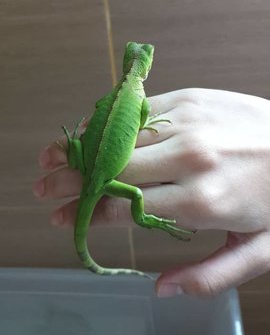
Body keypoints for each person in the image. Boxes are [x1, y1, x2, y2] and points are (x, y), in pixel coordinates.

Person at [33, 88, 270, 298]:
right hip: (102, 180)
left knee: (103, 171)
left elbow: (98, 106)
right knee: (136, 195)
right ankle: (143, 218)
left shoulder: (119, 93)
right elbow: (129, 112)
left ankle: (78, 152)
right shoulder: (139, 97)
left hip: (87, 169)